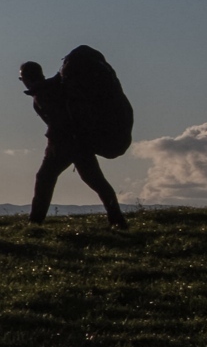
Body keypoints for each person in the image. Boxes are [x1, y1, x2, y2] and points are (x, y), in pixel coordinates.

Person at [21, 60, 128, 229]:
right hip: (80, 142)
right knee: (96, 181)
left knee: (45, 179)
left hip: (62, 145)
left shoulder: (43, 93)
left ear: (26, 78)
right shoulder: (55, 87)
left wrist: (57, 142)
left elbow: (58, 121)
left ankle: (35, 222)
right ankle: (117, 220)